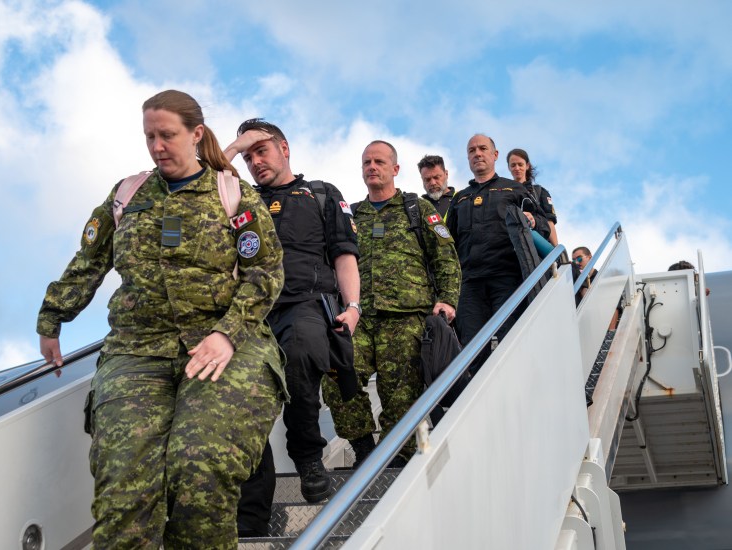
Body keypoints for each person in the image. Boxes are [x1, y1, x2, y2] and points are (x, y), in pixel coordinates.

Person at [36, 90, 286, 549]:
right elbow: (89, 262)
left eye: (167, 135)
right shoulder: (127, 195)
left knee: (199, 471)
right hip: (136, 350)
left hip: (225, 349)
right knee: (124, 486)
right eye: (149, 136)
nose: (156, 146)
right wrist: (52, 317)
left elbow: (265, 274)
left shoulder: (232, 194)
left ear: (196, 134)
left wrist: (226, 335)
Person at [223, 120, 360, 514]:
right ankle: (252, 511)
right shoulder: (239, 199)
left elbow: (344, 255)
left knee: (301, 355)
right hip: (252, 311)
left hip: (306, 301)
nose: (254, 162)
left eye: (261, 151)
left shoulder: (319, 193)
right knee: (241, 403)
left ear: (285, 149)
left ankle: (308, 457)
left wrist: (352, 307)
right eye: (247, 157)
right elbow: (201, 180)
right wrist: (235, 147)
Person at [327, 140, 461, 466]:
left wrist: (446, 299)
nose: (372, 167)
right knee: (335, 377)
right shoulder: (351, 215)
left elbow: (446, 257)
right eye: (366, 162)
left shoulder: (417, 209)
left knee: (400, 398)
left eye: (379, 162)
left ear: (395, 169)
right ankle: (362, 450)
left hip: (406, 317)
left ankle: (393, 466)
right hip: (359, 315)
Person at [446, 134, 551, 370]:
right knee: (471, 352)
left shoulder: (514, 189)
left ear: (494, 155)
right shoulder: (460, 198)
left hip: (508, 280)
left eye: (483, 148)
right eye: (472, 150)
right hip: (470, 284)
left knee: (512, 343)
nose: (477, 153)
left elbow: (545, 227)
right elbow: (447, 246)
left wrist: (534, 220)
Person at [506, 148, 559, 246]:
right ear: (509, 168)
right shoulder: (504, 193)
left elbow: (549, 222)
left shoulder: (539, 192)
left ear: (527, 166)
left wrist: (556, 250)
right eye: (513, 165)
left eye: (520, 164)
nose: (517, 168)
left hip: (538, 247)